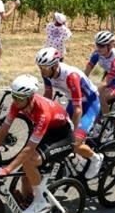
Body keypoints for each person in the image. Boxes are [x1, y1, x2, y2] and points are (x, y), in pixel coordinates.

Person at [0, 75, 74, 213]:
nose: (16, 101)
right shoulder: (16, 104)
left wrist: (7, 169)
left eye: (20, 98)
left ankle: (40, 202)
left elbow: (29, 149)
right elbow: (3, 130)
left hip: (63, 137)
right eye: (14, 96)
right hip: (48, 133)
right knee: (26, 174)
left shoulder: (42, 112)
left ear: (30, 97)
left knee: (29, 161)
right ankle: (29, 201)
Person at [36, 48, 104, 179]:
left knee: (74, 142)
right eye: (40, 67)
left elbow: (78, 109)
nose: (42, 71)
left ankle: (96, 158)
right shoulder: (47, 73)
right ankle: (75, 158)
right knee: (57, 135)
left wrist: (71, 133)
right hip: (73, 102)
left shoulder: (71, 76)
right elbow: (48, 96)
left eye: (45, 68)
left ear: (55, 65)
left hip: (89, 104)